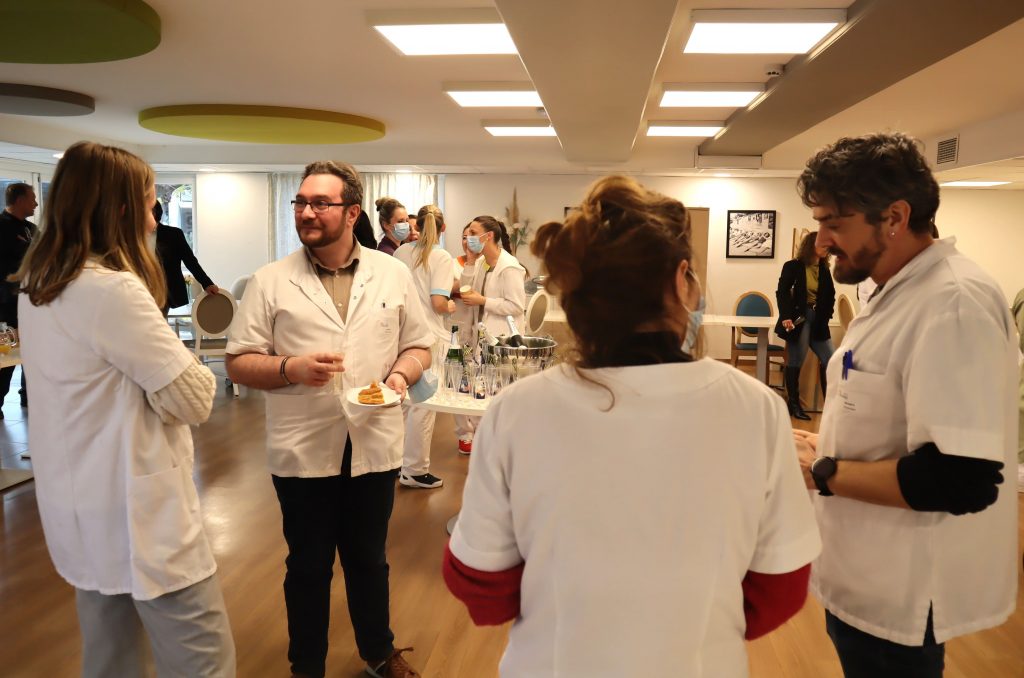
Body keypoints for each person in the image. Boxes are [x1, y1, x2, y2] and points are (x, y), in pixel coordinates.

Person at [443, 176, 821, 676]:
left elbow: (481, 586)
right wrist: (684, 622)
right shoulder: (755, 408)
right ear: (682, 279)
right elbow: (780, 586)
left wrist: (571, 605)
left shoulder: (518, 411)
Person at [794, 132, 1017, 678]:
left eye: (833, 224)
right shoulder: (896, 291)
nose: (822, 242)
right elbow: (895, 419)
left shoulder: (953, 303)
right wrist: (827, 442)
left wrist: (822, 470)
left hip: (902, 592)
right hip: (864, 576)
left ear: (894, 217)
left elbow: (959, 479)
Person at [14, 141, 234, 677]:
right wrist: (163, 382)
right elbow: (195, 399)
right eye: (149, 203)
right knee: (203, 657)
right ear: (119, 209)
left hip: (80, 504)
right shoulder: (112, 292)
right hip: (140, 515)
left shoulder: (40, 286)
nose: (155, 218)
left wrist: (153, 385)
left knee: (110, 655)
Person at [225, 160, 431, 678]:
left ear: (352, 212)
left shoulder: (392, 274)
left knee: (369, 559)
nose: (306, 212)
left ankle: (379, 655)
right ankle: (307, 667)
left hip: (374, 443)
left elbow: (420, 345)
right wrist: (289, 367)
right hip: (302, 447)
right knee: (308, 565)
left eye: (320, 203)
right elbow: (238, 361)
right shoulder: (271, 281)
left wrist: (400, 377)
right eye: (300, 202)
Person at [393, 205, 455, 489]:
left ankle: (398, 463)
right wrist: (451, 305)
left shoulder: (401, 253)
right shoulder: (441, 257)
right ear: (443, 228)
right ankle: (415, 470)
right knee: (424, 404)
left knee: (403, 402)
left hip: (400, 335)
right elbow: (438, 303)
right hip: (429, 338)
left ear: (416, 225)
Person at [454, 215, 526, 455]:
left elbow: (516, 306)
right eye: (467, 235)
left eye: (474, 233)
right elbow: (465, 289)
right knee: (480, 393)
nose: (468, 238)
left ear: (489, 236)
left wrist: (483, 300)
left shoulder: (509, 266)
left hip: (501, 339)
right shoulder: (482, 263)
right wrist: (470, 261)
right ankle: (483, 442)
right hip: (479, 337)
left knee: (497, 396)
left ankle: (502, 446)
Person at [775, 231, 836, 420]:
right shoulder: (793, 266)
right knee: (796, 360)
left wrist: (827, 314)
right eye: (823, 245)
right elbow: (782, 292)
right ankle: (794, 404)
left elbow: (830, 295)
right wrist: (786, 316)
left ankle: (831, 407)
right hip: (799, 319)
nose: (826, 249)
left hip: (818, 321)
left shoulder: (824, 270)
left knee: (831, 359)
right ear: (811, 246)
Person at [0, 182, 37, 414]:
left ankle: (29, 397)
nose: (36, 203)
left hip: (31, 303)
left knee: (32, 353)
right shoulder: (1, 227)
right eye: (32, 199)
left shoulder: (32, 229)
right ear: (20, 200)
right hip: (6, 305)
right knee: (6, 356)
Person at [153, 200, 218, 316]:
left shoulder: (173, 234)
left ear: (153, 213)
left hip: (166, 292)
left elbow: (190, 261)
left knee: (159, 322)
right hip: (138, 291)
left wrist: (207, 283)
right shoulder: (132, 236)